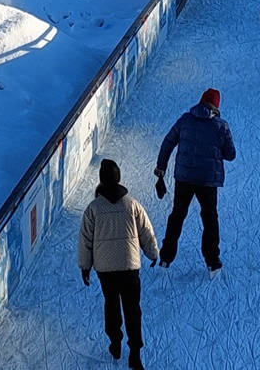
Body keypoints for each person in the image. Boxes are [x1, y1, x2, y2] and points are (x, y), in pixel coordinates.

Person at [78, 158, 158, 369]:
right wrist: (153, 254)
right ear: (119, 178)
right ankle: (135, 352)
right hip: (129, 267)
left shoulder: (93, 208)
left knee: (111, 305)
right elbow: (146, 232)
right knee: (133, 309)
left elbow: (85, 239)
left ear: (102, 181)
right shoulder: (132, 204)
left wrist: (85, 266)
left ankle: (115, 342)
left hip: (106, 270)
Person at [153, 89, 234, 273]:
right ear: (216, 105)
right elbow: (231, 154)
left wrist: (161, 168)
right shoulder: (221, 126)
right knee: (209, 218)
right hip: (207, 180)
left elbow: (168, 142)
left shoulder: (185, 120)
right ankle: (212, 261)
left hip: (184, 178)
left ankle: (165, 258)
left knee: (177, 215)